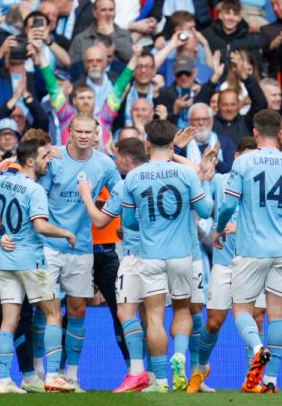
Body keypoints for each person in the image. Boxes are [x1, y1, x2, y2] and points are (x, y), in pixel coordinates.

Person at [212, 109, 282, 393]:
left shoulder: (244, 163)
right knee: (276, 314)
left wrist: (220, 228)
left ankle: (257, 348)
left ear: (255, 133)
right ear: (280, 133)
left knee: (241, 310)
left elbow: (229, 206)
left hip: (250, 249)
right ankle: (272, 380)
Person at [122, 120, 214, 392]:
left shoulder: (134, 176)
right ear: (173, 143)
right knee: (183, 309)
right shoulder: (186, 175)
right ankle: (180, 355)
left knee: (153, 317)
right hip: (182, 255)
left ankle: (160, 380)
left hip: (150, 255)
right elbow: (207, 211)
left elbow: (129, 222)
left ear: (147, 144)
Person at [0, 138, 77, 394]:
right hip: (31, 261)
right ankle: (54, 375)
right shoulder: (34, 190)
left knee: (8, 321)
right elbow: (41, 226)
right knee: (54, 313)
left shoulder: (5, 182)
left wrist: (8, 161)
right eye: (45, 157)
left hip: (5, 261)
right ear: (31, 161)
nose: (48, 162)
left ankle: (3, 380)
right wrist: (65, 232)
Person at [38, 114, 123, 391]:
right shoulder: (55, 159)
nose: (84, 136)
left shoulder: (105, 164)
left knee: (77, 309)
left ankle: (72, 375)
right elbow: (38, 197)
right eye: (79, 131)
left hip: (82, 249)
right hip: (49, 247)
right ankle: (43, 373)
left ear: (96, 133)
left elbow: (122, 194)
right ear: (69, 132)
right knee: (46, 310)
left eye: (89, 131)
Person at [76, 137, 150, 393]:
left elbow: (100, 221)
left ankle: (137, 371)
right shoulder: (153, 176)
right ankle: (155, 376)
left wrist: (87, 197)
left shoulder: (120, 180)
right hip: (161, 255)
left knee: (126, 314)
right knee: (151, 316)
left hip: (121, 254)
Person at [189, 137, 261, 393]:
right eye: (246, 157)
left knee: (257, 318)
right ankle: (201, 370)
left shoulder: (262, 189)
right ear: (237, 156)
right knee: (214, 322)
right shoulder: (220, 182)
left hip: (254, 262)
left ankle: (252, 379)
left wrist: (239, 226)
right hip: (224, 263)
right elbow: (202, 206)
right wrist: (201, 172)